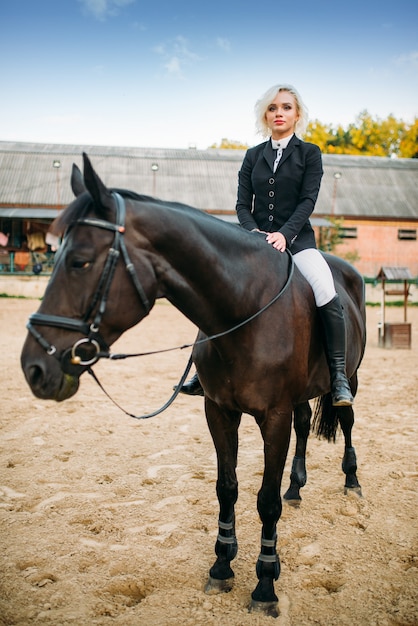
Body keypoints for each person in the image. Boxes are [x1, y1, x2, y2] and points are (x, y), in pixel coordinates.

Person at [180, 83, 353, 406]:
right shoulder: (252, 156)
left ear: (297, 114)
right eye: (273, 108)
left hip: (298, 242)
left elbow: (307, 200)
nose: (279, 113)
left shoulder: (310, 153)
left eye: (286, 107)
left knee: (325, 289)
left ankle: (339, 375)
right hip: (255, 242)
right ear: (265, 114)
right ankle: (200, 370)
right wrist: (254, 232)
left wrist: (285, 234)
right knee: (218, 288)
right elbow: (242, 204)